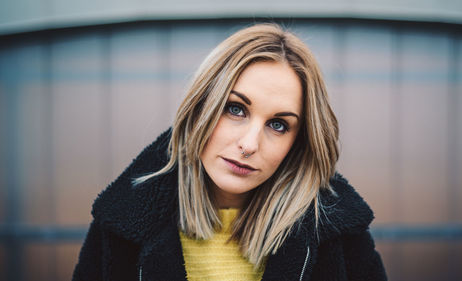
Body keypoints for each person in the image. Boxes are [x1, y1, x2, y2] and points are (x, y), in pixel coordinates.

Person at [72, 23, 387, 281]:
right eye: (235, 109)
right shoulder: (119, 226)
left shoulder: (339, 235)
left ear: (298, 142)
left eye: (278, 125)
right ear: (200, 108)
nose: (249, 145)